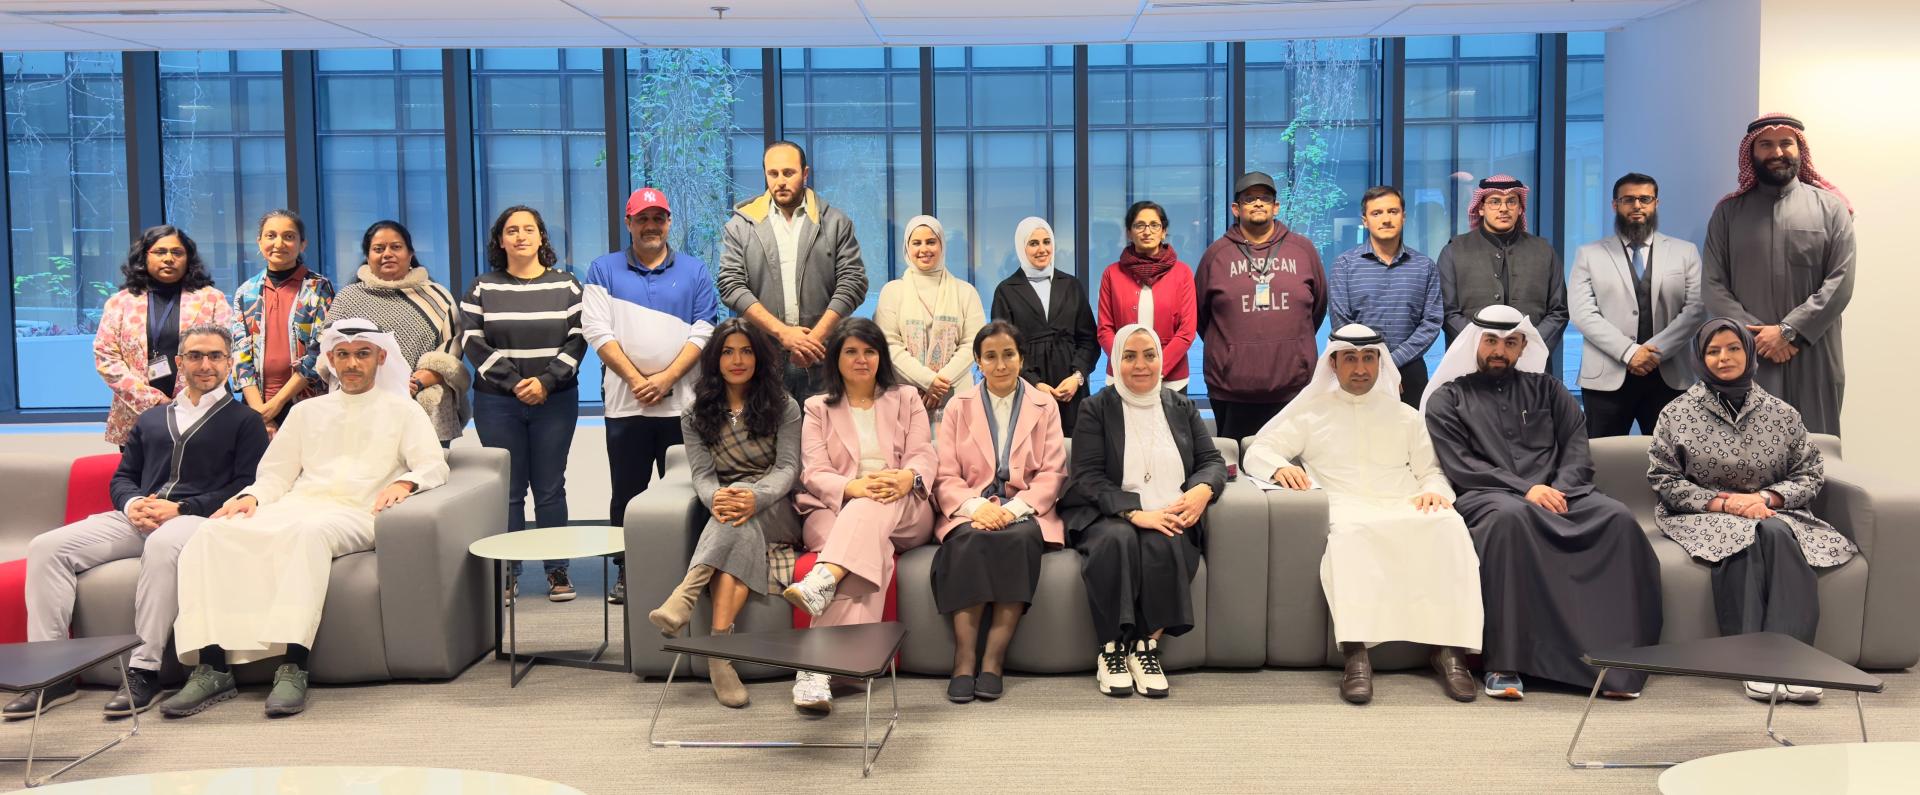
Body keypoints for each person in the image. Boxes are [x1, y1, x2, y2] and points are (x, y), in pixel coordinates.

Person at [161, 318, 447, 719]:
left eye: (362, 354)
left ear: (381, 357)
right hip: (298, 504)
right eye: (343, 354)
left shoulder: (404, 410)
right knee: (212, 532)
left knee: (309, 533)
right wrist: (252, 497)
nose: (352, 363)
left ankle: (293, 665)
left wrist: (406, 482)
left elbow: (433, 465)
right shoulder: (306, 411)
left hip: (358, 512)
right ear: (330, 359)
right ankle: (211, 667)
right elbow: (275, 474)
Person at [10, 326, 267, 719]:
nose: (206, 364)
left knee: (163, 545)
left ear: (229, 363)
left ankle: (143, 670)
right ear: (179, 363)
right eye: (195, 356)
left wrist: (182, 509)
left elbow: (246, 484)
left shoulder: (245, 421)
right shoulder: (151, 419)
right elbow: (123, 477)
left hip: (200, 521)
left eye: (215, 356)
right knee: (46, 547)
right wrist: (132, 504)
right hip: (139, 518)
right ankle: (52, 675)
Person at [1422, 305, 1662, 700]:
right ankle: (1504, 663)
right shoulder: (1448, 399)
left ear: (1522, 347)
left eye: (1510, 343)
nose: (1500, 350)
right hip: (1489, 497)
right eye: (1491, 341)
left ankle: (1615, 664)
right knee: (1510, 520)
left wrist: (1560, 489)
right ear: (1475, 343)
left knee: (1616, 518)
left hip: (1563, 494)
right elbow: (1462, 465)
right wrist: (1526, 490)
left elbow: (1576, 447)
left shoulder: (1549, 390)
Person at [1242, 324, 1481, 705]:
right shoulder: (1310, 413)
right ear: (1333, 364)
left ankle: (1450, 652)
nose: (1360, 368)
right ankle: (1356, 656)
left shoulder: (1405, 415)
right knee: (1350, 537)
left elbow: (1432, 471)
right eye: (1350, 359)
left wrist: (1435, 493)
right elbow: (1257, 450)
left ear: (1380, 363)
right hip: (1344, 504)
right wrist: (1279, 468)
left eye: (1369, 358)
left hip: (1403, 501)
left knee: (1450, 527)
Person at [1648, 318, 1852, 703]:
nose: (1723, 358)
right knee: (1742, 536)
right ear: (1700, 358)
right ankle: (1753, 664)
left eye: (1733, 348)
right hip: (1705, 514)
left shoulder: (1781, 412)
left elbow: (1810, 473)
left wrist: (1766, 499)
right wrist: (1726, 503)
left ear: (1749, 351)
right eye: (1713, 351)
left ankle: (1793, 662)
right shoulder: (1676, 414)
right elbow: (1664, 479)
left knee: (1777, 533)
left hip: (1770, 510)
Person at [1063, 324, 1227, 699]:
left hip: (1168, 509)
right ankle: (1111, 649)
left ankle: (1145, 647)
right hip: (1107, 513)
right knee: (1117, 539)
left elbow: (1212, 461)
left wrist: (1202, 490)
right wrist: (1135, 513)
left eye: (1149, 355)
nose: (1141, 365)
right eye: (1130, 356)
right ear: (1116, 361)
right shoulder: (1095, 408)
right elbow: (1087, 477)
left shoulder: (1181, 406)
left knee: (1165, 538)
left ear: (1161, 360)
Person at [784, 318, 936, 714]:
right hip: (836, 508)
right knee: (873, 552)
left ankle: (822, 590)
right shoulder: (817, 407)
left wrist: (906, 478)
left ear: (881, 356)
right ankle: (840, 669)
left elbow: (923, 453)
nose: (861, 359)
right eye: (851, 351)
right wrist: (855, 487)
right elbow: (814, 471)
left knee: (875, 501)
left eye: (869, 351)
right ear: (835, 358)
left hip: (905, 507)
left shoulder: (907, 398)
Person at [646, 319, 801, 708]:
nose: (737, 360)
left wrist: (754, 496)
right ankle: (720, 658)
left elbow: (787, 468)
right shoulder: (694, 413)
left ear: (759, 357)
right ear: (715, 359)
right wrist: (717, 498)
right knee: (735, 531)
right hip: (728, 509)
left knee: (737, 513)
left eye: (746, 351)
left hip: (775, 506)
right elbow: (702, 475)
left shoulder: (783, 405)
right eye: (728, 352)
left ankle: (685, 594)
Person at [584, 187, 720, 605]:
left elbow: (705, 330)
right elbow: (596, 330)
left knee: (687, 494)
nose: (651, 226)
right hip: (626, 407)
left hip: (684, 406)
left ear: (668, 222)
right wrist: (637, 380)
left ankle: (687, 574)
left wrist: (665, 379)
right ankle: (628, 571)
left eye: (658, 218)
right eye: (642, 218)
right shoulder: (603, 269)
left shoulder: (695, 270)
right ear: (629, 223)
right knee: (627, 494)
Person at [931, 321, 1068, 703]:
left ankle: (993, 659)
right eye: (990, 356)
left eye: (1008, 354)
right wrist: (977, 507)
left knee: (1019, 539)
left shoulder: (1045, 405)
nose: (1001, 364)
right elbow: (945, 474)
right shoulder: (958, 406)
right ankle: (963, 660)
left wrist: (1014, 510)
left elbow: (1053, 472)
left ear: (1021, 358)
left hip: (1025, 509)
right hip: (971, 508)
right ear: (978, 361)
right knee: (968, 541)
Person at [1701, 112, 1855, 436]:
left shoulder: (1831, 209)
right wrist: (1760, 336)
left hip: (1814, 351)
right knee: (1749, 448)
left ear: (1800, 149)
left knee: (1816, 446)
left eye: (1786, 143)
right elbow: (1713, 286)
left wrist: (1789, 331)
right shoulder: (1728, 214)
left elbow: (1840, 282)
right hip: (1751, 353)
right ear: (1751, 152)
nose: (1777, 152)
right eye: (1766, 145)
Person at [461, 206, 587, 603]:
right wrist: (515, 383)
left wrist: (546, 382)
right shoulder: (482, 287)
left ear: (541, 237)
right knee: (510, 490)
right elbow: (471, 341)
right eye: (512, 230)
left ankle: (557, 569)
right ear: (500, 240)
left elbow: (579, 338)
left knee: (550, 488)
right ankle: (508, 573)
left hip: (555, 401)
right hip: (497, 403)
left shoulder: (567, 285)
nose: (520, 236)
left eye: (528, 229)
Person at [717, 141, 869, 402]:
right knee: (766, 427)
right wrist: (784, 333)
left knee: (826, 427)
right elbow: (730, 285)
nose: (780, 181)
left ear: (805, 173)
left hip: (823, 356)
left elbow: (853, 282)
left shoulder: (835, 223)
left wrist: (813, 340)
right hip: (763, 359)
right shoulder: (740, 226)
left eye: (788, 173)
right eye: (773, 174)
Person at [1195, 171, 1328, 442]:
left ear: (1275, 207)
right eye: (1249, 199)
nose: (1258, 203)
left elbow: (1317, 307)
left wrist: (1294, 348)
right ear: (1236, 209)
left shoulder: (1303, 250)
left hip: (1294, 389)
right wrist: (1231, 352)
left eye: (1265, 198)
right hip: (1232, 390)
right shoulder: (1216, 255)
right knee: (1236, 465)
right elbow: (1201, 316)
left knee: (1291, 465)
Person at [1569, 173, 1705, 437]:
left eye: (1645, 199)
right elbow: (1582, 313)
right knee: (1603, 455)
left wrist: (1654, 354)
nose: (1637, 206)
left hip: (1668, 375)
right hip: (1606, 378)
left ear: (1656, 203)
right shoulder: (1589, 254)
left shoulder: (1685, 252)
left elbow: (1696, 309)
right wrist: (1630, 352)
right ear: (1615, 205)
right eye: (1628, 199)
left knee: (1672, 454)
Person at [324, 220, 470, 444]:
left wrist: (416, 383)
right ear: (368, 256)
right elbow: (329, 350)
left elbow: (452, 351)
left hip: (423, 404)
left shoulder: (437, 297)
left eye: (396, 247)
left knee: (424, 466)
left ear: (410, 253)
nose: (387, 254)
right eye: (378, 249)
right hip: (358, 404)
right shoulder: (348, 298)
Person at [93, 225, 234, 446]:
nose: (169, 258)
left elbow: (226, 352)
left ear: (188, 259)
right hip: (138, 414)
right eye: (160, 252)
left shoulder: (212, 299)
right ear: (144, 257)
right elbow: (106, 358)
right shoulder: (120, 302)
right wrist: (154, 401)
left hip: (202, 411)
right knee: (141, 469)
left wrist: (187, 401)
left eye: (177, 252)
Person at [1329, 186, 1443, 408]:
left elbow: (1431, 322)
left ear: (1403, 217)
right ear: (1365, 220)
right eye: (1377, 213)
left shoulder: (1425, 266)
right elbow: (1341, 322)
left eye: (1393, 211)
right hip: (1357, 371)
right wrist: (1373, 363)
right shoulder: (1344, 265)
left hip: (1410, 372)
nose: (1386, 219)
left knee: (1410, 430)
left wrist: (1391, 363)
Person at [1437, 176, 1568, 359]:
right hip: (1470, 360)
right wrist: (1483, 346)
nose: (1504, 208)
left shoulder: (1544, 251)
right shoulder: (1453, 251)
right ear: (1481, 208)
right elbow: (1447, 311)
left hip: (1531, 360)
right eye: (1495, 201)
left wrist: (1528, 347)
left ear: (1520, 208)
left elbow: (1558, 311)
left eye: (1511, 201)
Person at [989, 217, 1099, 432]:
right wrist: (1034, 383)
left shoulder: (1071, 285)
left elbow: (1089, 340)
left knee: (1074, 447)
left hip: (1071, 389)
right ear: (1021, 247)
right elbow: (1003, 347)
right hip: (1026, 389)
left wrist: (1077, 378)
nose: (1042, 249)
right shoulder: (1006, 290)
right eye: (1033, 243)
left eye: (1046, 242)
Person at [230, 209, 333, 434]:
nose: (279, 243)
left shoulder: (319, 288)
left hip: (306, 402)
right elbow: (240, 354)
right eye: (271, 235)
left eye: (289, 236)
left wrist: (276, 404)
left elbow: (320, 350)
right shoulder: (246, 292)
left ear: (302, 244)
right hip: (255, 405)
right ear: (259, 242)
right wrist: (259, 411)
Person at [876, 215, 985, 421]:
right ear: (907, 247)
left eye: (931, 242)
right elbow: (889, 344)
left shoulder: (966, 292)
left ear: (942, 245)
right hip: (904, 397)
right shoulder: (892, 292)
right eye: (917, 243)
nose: (924, 249)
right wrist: (927, 381)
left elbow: (973, 343)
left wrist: (939, 384)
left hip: (955, 397)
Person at [1095, 201, 1197, 392]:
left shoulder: (1182, 273)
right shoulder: (1112, 274)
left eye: (1154, 225)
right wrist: (1126, 364)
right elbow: (1105, 329)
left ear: (1163, 232)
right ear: (1129, 232)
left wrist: (1157, 368)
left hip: (1171, 379)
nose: (1147, 231)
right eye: (1139, 225)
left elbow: (1187, 331)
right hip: (1122, 376)